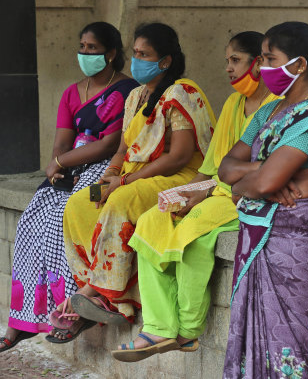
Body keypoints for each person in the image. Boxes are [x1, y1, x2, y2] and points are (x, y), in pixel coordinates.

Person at [110, 31, 279, 362]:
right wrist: (186, 193)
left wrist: (205, 193)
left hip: (242, 197)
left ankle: (185, 331)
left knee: (190, 234)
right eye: (226, 61)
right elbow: (210, 168)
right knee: (151, 220)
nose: (228, 68)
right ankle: (158, 325)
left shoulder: (276, 105)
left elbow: (261, 171)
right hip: (216, 189)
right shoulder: (233, 103)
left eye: (235, 60)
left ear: (258, 63)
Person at [51, 23, 215, 342]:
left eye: (145, 54)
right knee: (79, 203)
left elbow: (180, 157)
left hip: (175, 177)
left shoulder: (183, 91)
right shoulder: (136, 96)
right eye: (136, 53)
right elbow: (123, 149)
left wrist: (125, 181)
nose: (137, 60)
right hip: (132, 174)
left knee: (121, 201)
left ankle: (104, 295)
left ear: (165, 61)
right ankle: (96, 291)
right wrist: (108, 177)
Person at [0, 22, 138, 352]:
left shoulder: (127, 90)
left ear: (112, 53)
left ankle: (71, 312)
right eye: (82, 46)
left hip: (105, 168)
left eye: (92, 47)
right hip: (70, 168)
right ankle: (22, 319)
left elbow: (110, 144)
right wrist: (60, 167)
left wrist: (64, 163)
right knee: (32, 221)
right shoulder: (71, 93)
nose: (85, 53)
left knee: (67, 214)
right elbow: (60, 144)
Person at [221, 21, 308, 378]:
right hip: (254, 234)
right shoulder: (267, 111)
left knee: (291, 343)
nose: (263, 68)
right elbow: (226, 169)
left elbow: (268, 180)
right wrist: (257, 172)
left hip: (290, 243)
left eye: (271, 59)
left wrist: (257, 179)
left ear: (300, 65)